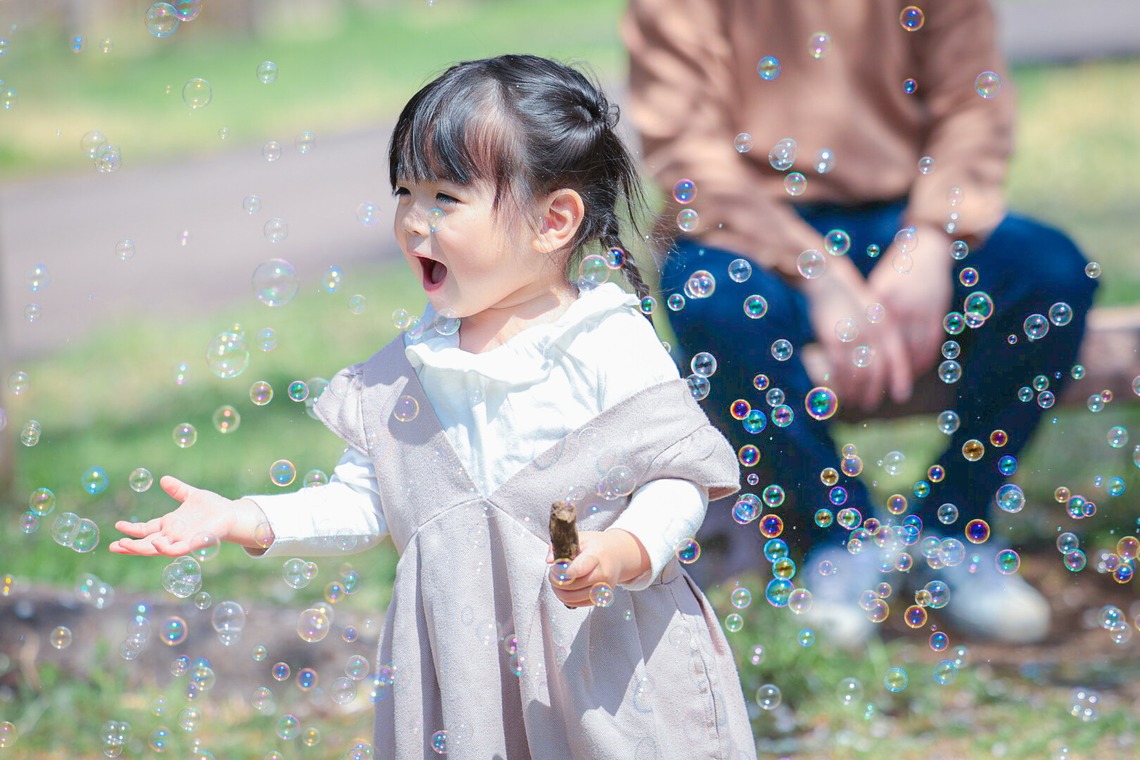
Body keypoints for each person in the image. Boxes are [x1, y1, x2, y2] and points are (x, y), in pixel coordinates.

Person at [111, 55, 757, 759]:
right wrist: (243, 518)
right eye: (404, 191)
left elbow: (679, 478)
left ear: (555, 220)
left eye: (446, 197)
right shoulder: (407, 373)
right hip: (465, 680)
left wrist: (627, 549)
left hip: (605, 665)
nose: (415, 220)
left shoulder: (604, 341)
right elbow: (364, 503)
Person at [623, 0, 1098, 645]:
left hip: (907, 215)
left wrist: (931, 236)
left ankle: (954, 527)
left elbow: (972, 107)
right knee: (711, 304)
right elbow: (688, 154)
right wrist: (814, 269)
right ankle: (835, 538)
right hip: (749, 228)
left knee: (1051, 273)